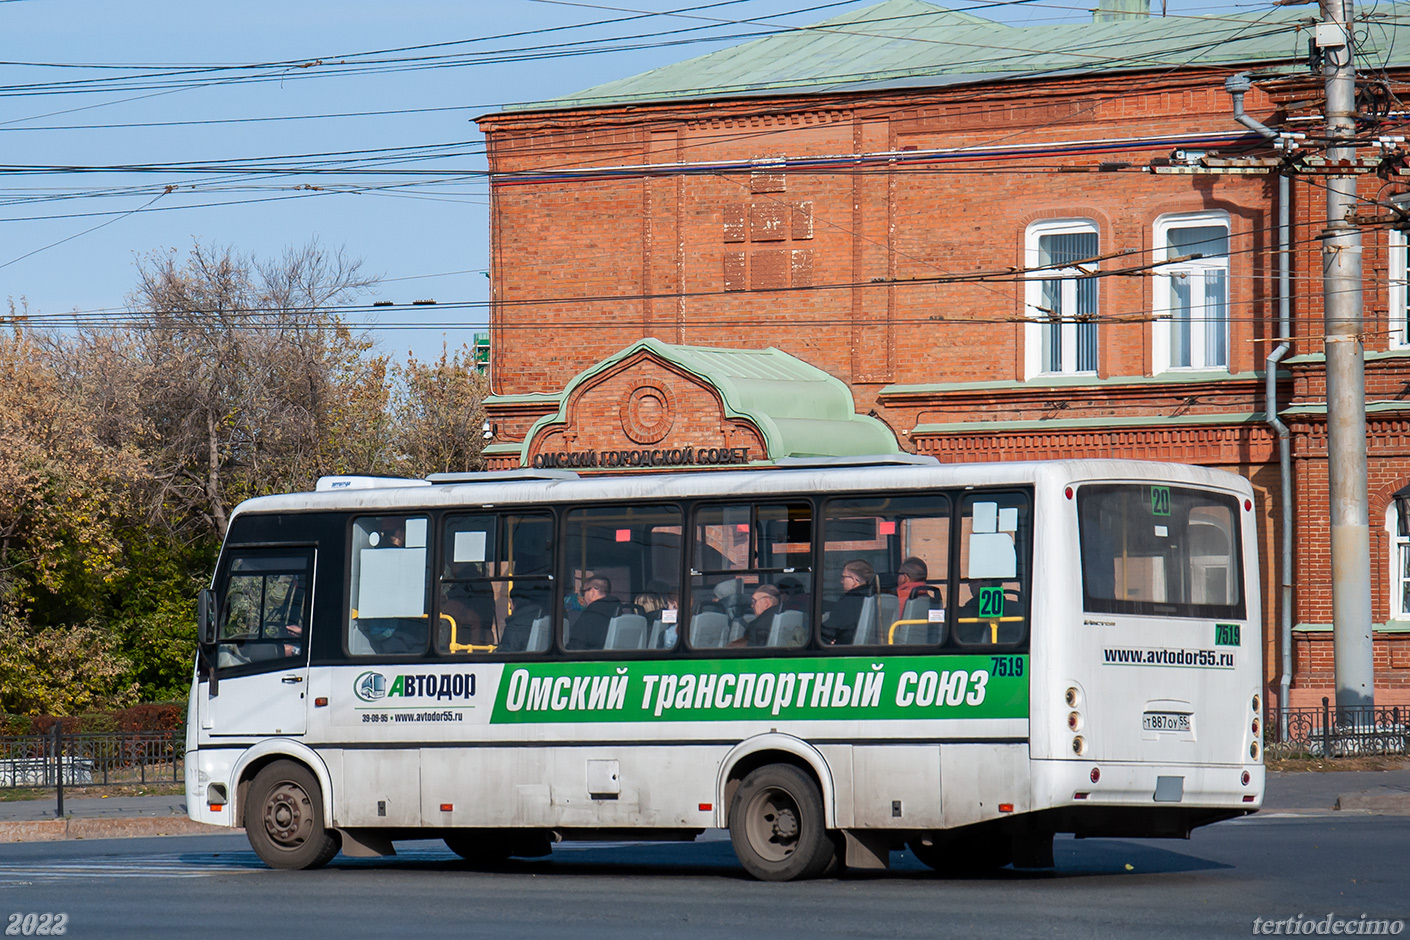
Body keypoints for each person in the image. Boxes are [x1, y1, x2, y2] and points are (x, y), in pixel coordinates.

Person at [822, 559, 875, 645]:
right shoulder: (872, 596)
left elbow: (828, 631)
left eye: (843, 577)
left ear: (855, 580)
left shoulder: (849, 600)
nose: (841, 581)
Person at [566, 576, 619, 651]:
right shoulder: (617, 612)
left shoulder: (590, 616)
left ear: (593, 592)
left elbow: (575, 648)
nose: (582, 596)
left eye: (583, 591)